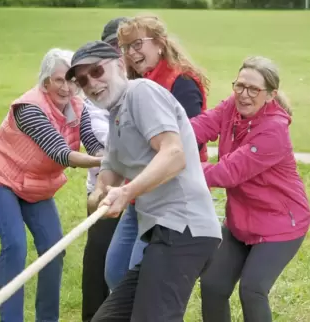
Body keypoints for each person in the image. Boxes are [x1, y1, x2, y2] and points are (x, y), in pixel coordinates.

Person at [66, 40, 222, 321]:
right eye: (82, 80)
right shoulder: (116, 112)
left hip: (185, 228)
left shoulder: (141, 92)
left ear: (118, 65)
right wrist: (100, 192)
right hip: (160, 232)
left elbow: (174, 155)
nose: (91, 83)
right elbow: (111, 167)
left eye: (97, 71)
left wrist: (127, 192)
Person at [0, 48, 104, 322]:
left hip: (34, 183)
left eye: (71, 80)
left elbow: (92, 143)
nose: (66, 87)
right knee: (15, 246)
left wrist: (109, 156)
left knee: (54, 249)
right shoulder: (29, 108)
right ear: (45, 82)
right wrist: (102, 163)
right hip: (0, 177)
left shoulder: (80, 107)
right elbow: (60, 152)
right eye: (59, 80)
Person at [190, 56, 310, 322]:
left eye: (253, 89)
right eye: (240, 85)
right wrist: (167, 138)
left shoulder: (274, 131)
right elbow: (200, 126)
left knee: (252, 289)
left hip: (280, 224)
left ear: (270, 95)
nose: (244, 95)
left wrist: (178, 169)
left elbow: (229, 172)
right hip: (241, 221)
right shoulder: (232, 106)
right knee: (213, 285)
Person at [104, 14, 211, 290]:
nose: (132, 53)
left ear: (160, 44)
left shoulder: (182, 81)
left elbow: (190, 141)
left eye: (138, 44)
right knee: (116, 273)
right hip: (139, 193)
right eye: (127, 47)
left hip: (172, 198)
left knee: (143, 280)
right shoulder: (132, 86)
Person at [81, 17, 129, 322]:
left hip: (142, 194)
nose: (120, 52)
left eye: (125, 46)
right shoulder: (92, 88)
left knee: (127, 268)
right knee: (97, 262)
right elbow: (96, 138)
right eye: (114, 46)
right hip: (104, 189)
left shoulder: (144, 87)